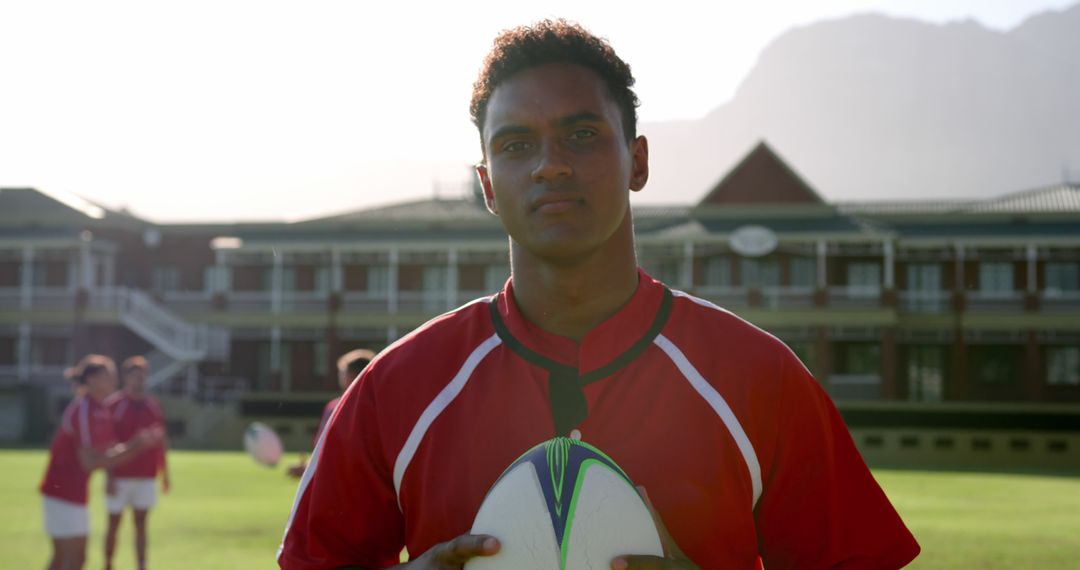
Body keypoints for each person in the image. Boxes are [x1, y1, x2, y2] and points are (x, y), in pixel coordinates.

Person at [278, 20, 920, 570]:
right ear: (488, 185)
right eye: (515, 144)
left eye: (581, 135)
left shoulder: (760, 379)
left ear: (638, 161)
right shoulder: (398, 388)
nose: (549, 164)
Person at [39, 355, 163, 570]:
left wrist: (138, 445)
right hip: (61, 492)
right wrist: (135, 447)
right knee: (67, 559)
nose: (114, 383)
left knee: (73, 559)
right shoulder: (84, 408)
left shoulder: (100, 409)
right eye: (109, 377)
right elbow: (90, 462)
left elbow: (108, 452)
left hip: (75, 493)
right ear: (93, 379)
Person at [103, 356, 170, 570]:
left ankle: (141, 566)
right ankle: (108, 564)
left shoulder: (153, 405)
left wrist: (165, 474)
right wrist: (110, 476)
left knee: (141, 525)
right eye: (135, 375)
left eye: (142, 376)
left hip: (146, 475)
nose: (139, 380)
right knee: (114, 524)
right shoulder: (114, 405)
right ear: (126, 377)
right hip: (121, 475)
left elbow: (161, 441)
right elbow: (106, 442)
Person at [286, 348, 376, 479]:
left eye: (342, 373)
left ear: (352, 375)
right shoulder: (380, 408)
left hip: (343, 484)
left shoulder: (338, 407)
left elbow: (329, 450)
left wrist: (308, 469)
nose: (340, 377)